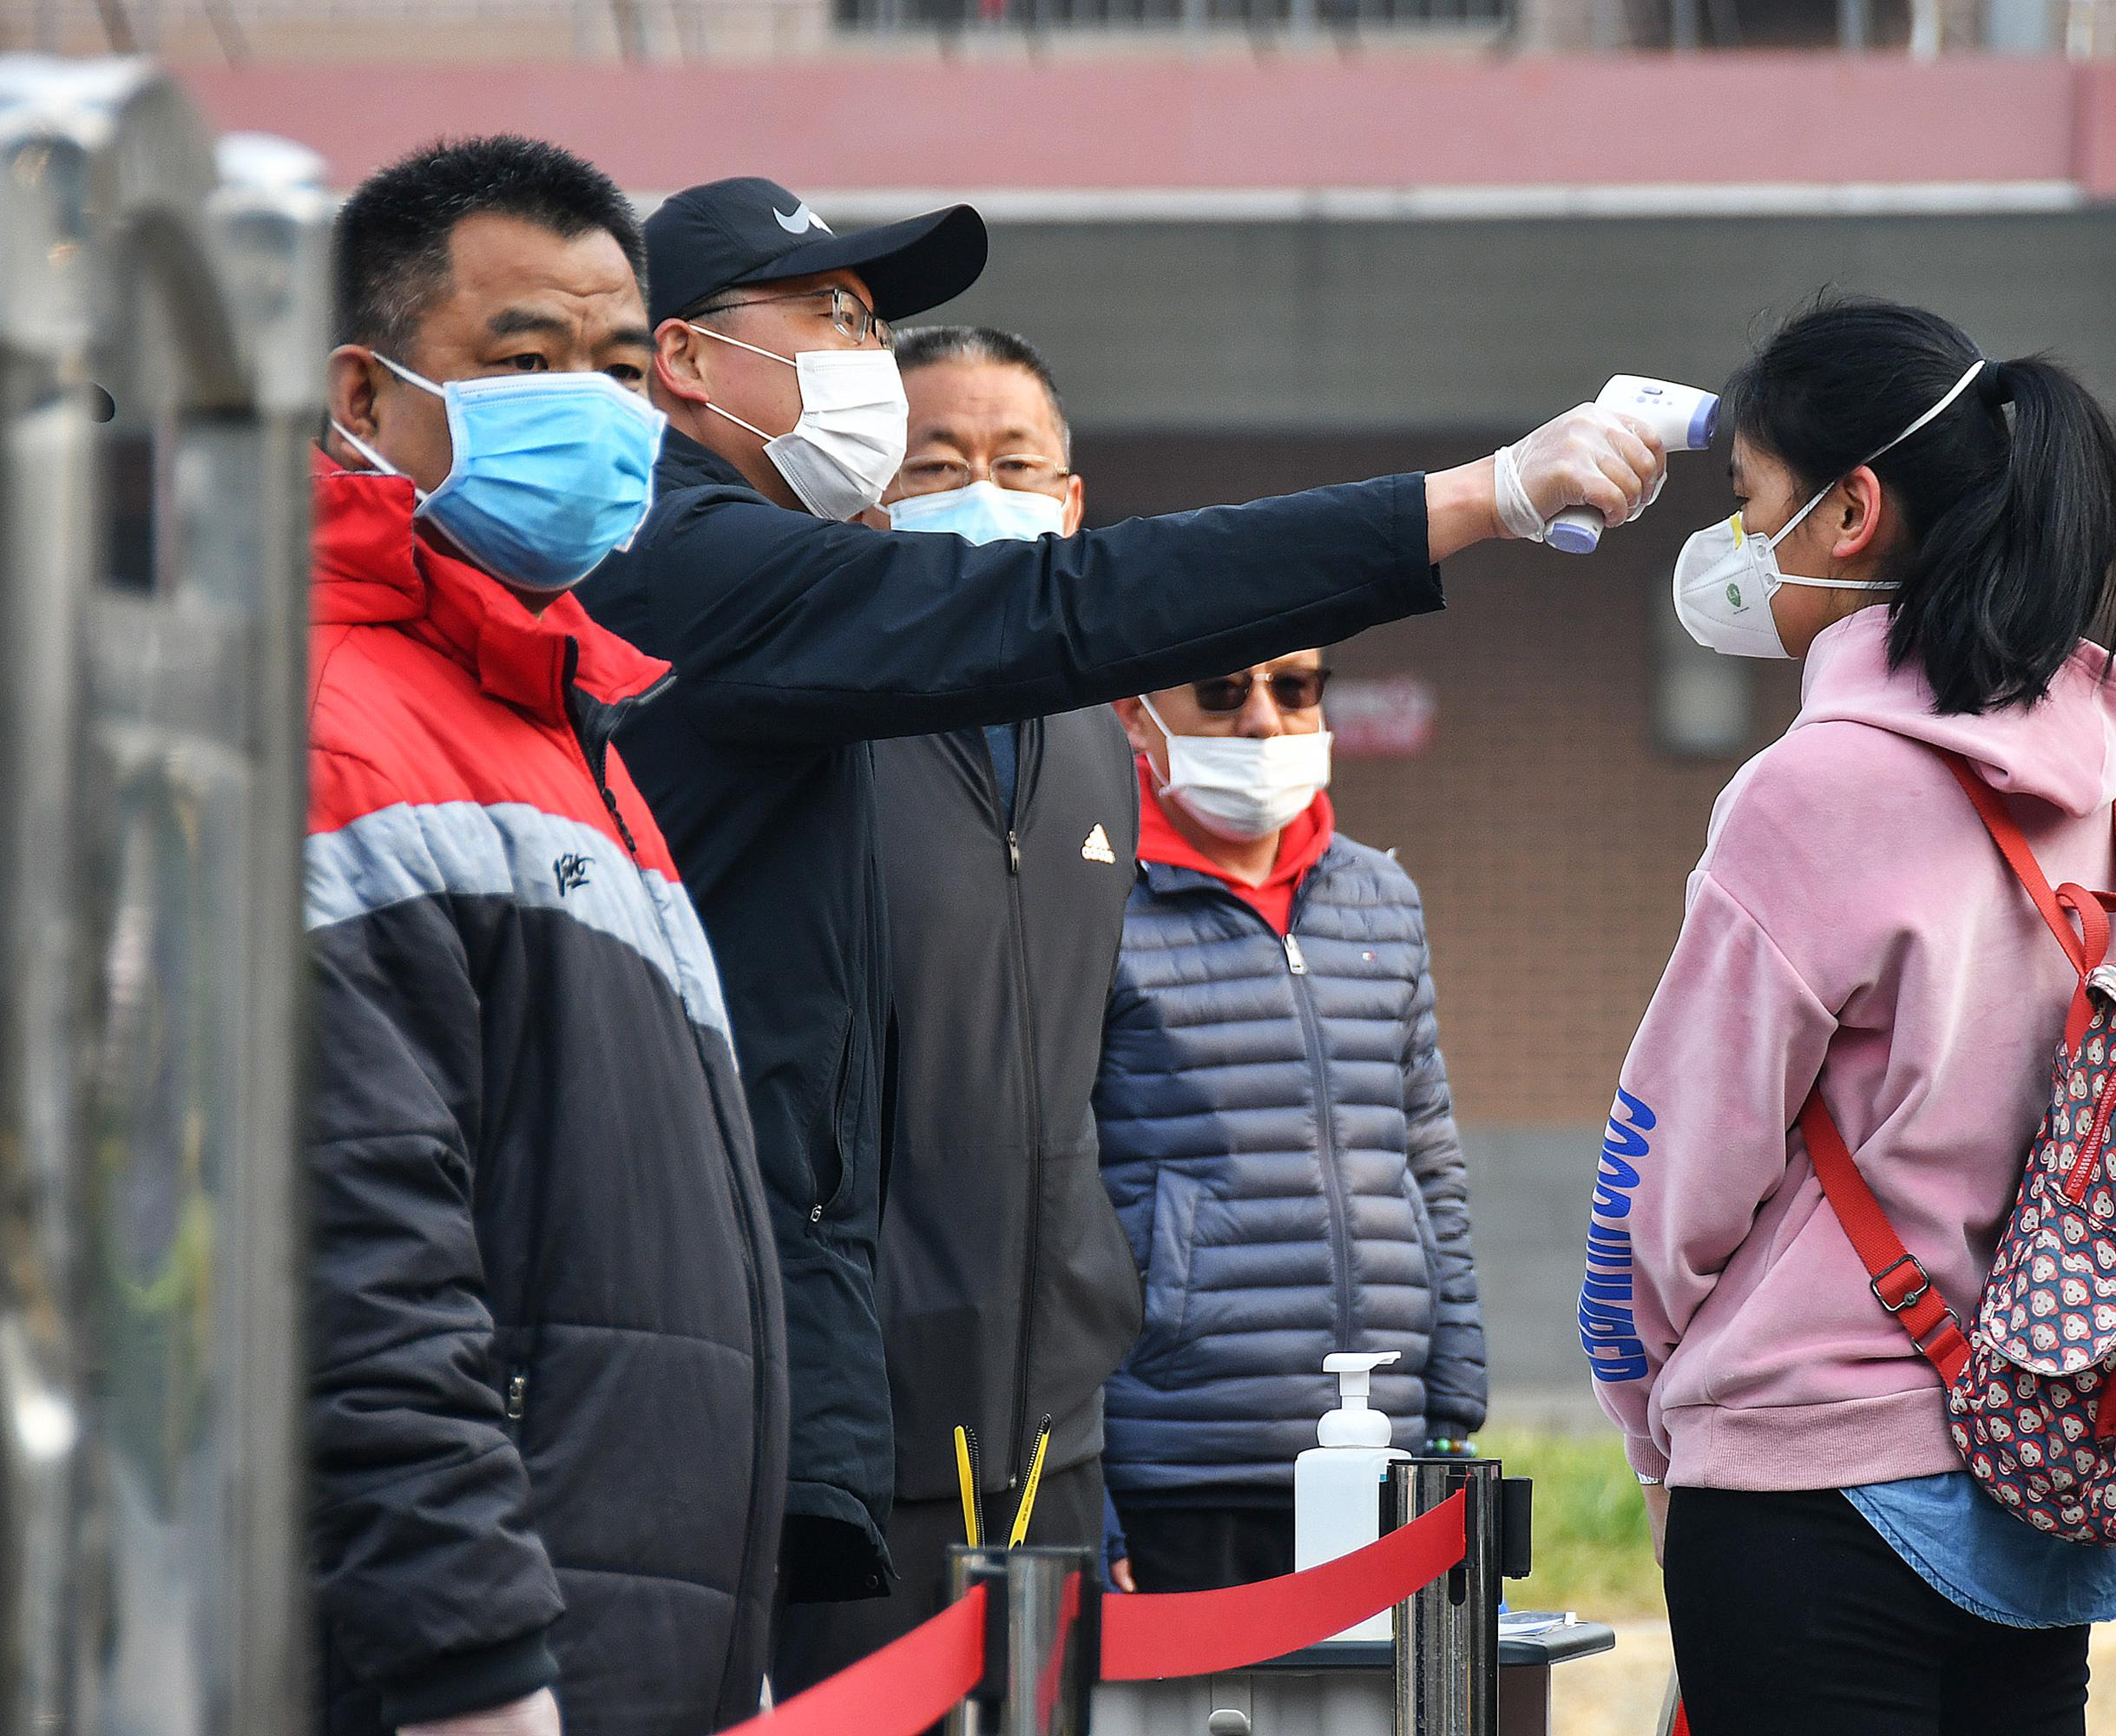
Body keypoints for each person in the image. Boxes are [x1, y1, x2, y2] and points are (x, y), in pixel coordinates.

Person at [573, 173, 1659, 1657]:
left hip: (1037, 1425)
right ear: (686, 360)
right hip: (813, 1397)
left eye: (872, 326)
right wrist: (1473, 500)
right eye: (828, 318)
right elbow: (1066, 608)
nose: (863, 364)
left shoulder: (1046, 724)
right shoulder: (690, 565)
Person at [1584, 295, 2116, 1736]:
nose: (1729, 545)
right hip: (2034, 1480)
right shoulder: (2110, 805)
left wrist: (1651, 1403)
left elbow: (1681, 1173)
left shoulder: (1812, 790)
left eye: (1746, 502)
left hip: (1803, 1485)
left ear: (1849, 512)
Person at [303, 139, 782, 1736]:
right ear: (364, 401)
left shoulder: (566, 717)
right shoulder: (338, 730)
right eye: (526, 361)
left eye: (621, 365)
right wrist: (474, 1678)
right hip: (487, 1671)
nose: (592, 406)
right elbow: (356, 1274)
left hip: (626, 1643)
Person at [769, 325, 1145, 1687]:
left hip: (1058, 1419)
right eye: (938, 462)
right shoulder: (812, 727)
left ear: (1072, 504)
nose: (980, 489)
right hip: (869, 1424)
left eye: (1014, 462)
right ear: (874, 491)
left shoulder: (1103, 735)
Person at [1093, 648, 1486, 1591]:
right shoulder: (1095, 902)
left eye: (1296, 686)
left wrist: (1454, 1401)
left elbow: (1427, 1151)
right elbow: (1051, 1194)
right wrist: (1091, 1490)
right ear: (1137, 719)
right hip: (1182, 1464)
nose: (1265, 719)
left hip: (1381, 1450)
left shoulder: (1379, 898)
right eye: (1224, 691)